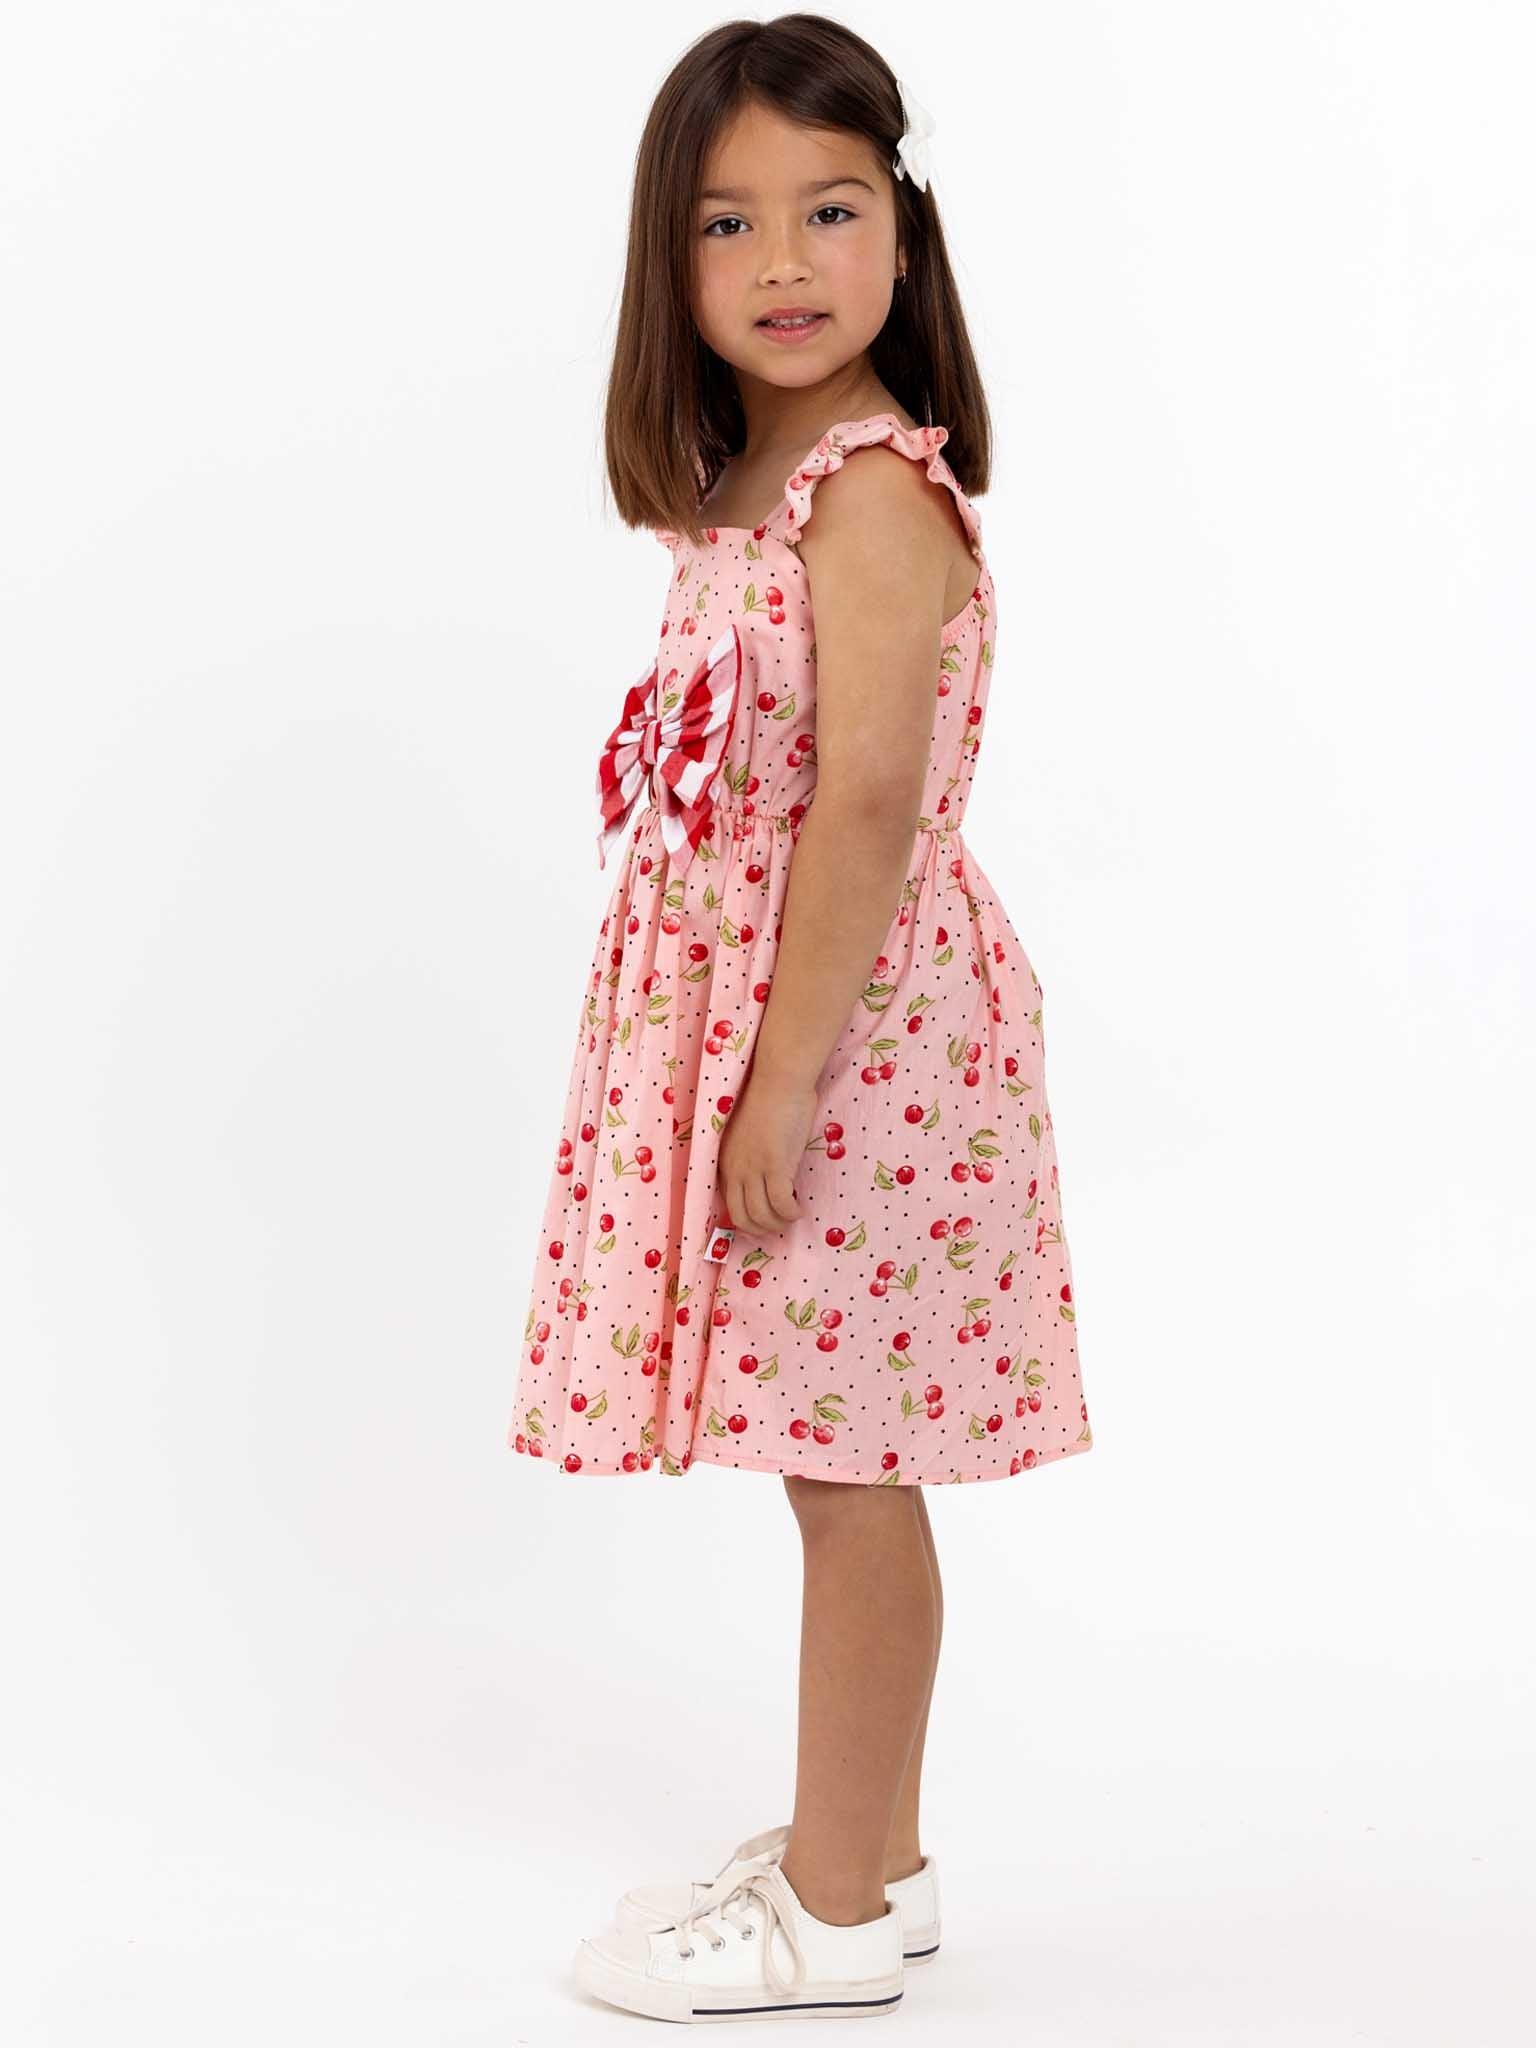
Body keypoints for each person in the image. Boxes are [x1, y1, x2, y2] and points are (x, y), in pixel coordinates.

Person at [509, 14, 1096, 2024]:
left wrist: (778, 1077)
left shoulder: (867, 492)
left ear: (904, 240)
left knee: (852, 1470)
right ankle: (883, 1855)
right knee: (814, 1452)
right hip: (789, 1020)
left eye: (830, 211)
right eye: (729, 224)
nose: (783, 262)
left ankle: (835, 1915)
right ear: (667, 273)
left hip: (858, 1041)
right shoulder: (745, 477)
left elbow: (859, 800)